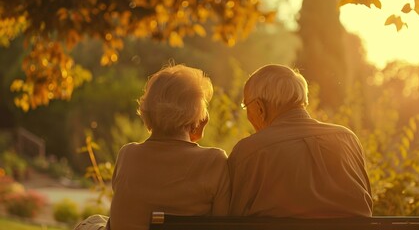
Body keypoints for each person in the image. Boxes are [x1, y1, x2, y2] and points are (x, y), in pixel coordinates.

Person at [75, 64, 230, 230]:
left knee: (91, 223)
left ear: (146, 109)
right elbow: (222, 224)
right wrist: (195, 131)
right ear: (199, 116)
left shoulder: (128, 155)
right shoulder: (214, 161)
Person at [228, 64, 373, 218]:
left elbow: (233, 218)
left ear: (259, 107)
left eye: (245, 106)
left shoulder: (249, 151)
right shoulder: (347, 139)